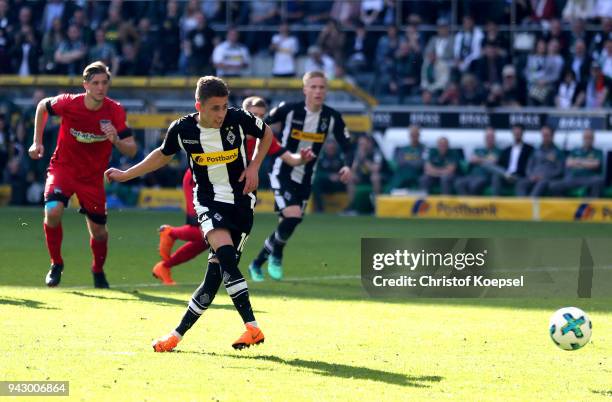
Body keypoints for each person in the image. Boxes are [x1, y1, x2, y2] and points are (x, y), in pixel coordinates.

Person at [105, 76, 273, 352]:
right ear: (199, 105)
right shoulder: (182, 129)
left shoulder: (238, 118)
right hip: (208, 201)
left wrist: (254, 166)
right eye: (215, 108)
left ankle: (176, 336)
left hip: (242, 201)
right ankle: (253, 327)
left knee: (214, 278)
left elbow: (266, 134)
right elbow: (162, 154)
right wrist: (126, 174)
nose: (221, 114)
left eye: (224, 107)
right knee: (227, 258)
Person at [152, 96, 314, 285]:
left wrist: (301, 159)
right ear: (245, 114)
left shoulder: (263, 137)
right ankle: (171, 233)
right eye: (255, 115)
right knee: (205, 232)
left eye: (263, 115)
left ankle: (165, 266)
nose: (259, 119)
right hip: (199, 183)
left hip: (226, 192)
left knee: (208, 241)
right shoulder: (231, 128)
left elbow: (291, 159)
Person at [28, 61, 137, 288]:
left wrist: (116, 139)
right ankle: (56, 263)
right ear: (85, 84)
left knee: (99, 233)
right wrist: (36, 142)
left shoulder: (115, 110)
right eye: (95, 83)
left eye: (104, 83)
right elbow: (41, 106)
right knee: (53, 210)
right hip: (63, 169)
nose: (100, 87)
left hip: (92, 179)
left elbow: (132, 148)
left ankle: (97, 270)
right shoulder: (70, 103)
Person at [249, 71, 353, 281]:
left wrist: (347, 166)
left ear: (326, 91)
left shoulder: (332, 117)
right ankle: (276, 255)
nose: (318, 91)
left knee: (288, 223)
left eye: (321, 87)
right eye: (313, 87)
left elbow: (347, 146)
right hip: (283, 170)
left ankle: (258, 262)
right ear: (305, 89)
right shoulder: (289, 110)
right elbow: (262, 125)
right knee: (293, 216)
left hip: (307, 177)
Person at [549, 128, 605, 197]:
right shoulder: (575, 150)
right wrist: (587, 162)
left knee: (598, 181)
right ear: (583, 138)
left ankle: (591, 205)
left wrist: (578, 161)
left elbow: (596, 164)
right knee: (554, 185)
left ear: (593, 139)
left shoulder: (598, 151)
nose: (588, 139)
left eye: (590, 137)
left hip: (589, 178)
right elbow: (568, 163)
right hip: (574, 178)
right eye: (586, 137)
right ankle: (564, 206)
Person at [515, 125, 564, 197]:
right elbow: (529, 166)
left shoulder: (558, 152)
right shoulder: (536, 150)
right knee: (521, 183)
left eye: (547, 135)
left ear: (552, 136)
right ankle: (522, 205)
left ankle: (529, 205)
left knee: (541, 183)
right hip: (533, 177)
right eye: (543, 135)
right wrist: (531, 175)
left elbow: (559, 170)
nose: (545, 138)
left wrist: (544, 176)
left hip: (546, 179)